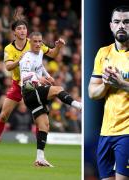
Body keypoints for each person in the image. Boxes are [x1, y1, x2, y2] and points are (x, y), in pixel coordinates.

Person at [0, 11, 66, 141]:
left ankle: (40, 152)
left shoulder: (34, 42)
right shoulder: (9, 48)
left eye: (24, 28)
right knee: (3, 115)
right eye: (19, 28)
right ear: (14, 33)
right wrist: (19, 60)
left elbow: (52, 54)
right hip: (18, 84)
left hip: (34, 85)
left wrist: (58, 47)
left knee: (39, 118)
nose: (22, 31)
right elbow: (8, 66)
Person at [19, 32, 81, 167]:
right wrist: (38, 78)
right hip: (29, 91)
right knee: (58, 89)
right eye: (34, 41)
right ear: (30, 42)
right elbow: (24, 78)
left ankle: (40, 158)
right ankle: (78, 106)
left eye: (39, 41)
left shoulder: (40, 52)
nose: (37, 44)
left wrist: (47, 75)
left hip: (34, 95)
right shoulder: (26, 58)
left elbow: (40, 66)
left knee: (44, 125)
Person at [88, 6, 129, 180]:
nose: (122, 26)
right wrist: (106, 85)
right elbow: (92, 93)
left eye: (127, 22)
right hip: (106, 132)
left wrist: (122, 84)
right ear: (111, 25)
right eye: (118, 22)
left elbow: (121, 85)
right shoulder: (103, 53)